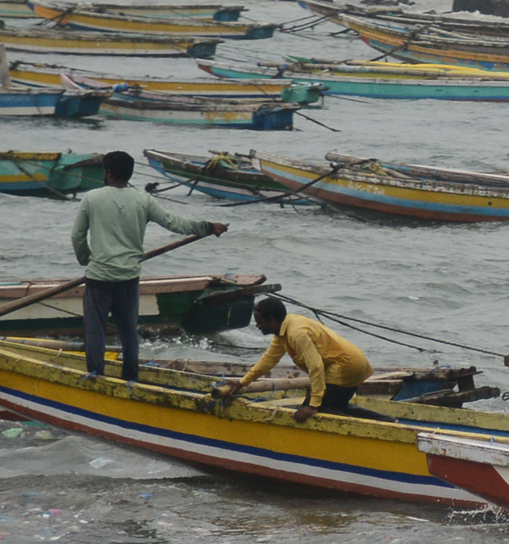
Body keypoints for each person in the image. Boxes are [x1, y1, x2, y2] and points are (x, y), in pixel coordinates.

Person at [71, 150, 228, 381]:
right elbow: (174, 222)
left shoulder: (91, 198)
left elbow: (77, 236)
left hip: (99, 279)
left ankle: (95, 375)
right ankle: (130, 377)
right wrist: (207, 226)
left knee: (96, 331)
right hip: (128, 278)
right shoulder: (143, 199)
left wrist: (86, 259)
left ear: (108, 173)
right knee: (128, 331)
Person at [221, 297, 376, 422]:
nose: (257, 325)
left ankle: (369, 432)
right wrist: (243, 382)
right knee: (338, 406)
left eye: (260, 321)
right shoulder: (283, 330)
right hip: (355, 362)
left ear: (272, 320)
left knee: (312, 412)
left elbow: (316, 366)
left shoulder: (296, 334)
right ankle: (385, 420)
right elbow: (268, 360)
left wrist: (313, 405)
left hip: (344, 366)